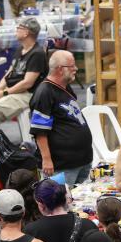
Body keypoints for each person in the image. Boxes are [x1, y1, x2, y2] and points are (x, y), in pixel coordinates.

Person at [0, 17, 46, 135]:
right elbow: (9, 73)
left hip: (27, 94)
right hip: (13, 90)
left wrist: (4, 93)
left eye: (19, 28)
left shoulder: (37, 54)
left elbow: (27, 83)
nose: (16, 29)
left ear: (26, 33)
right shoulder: (20, 49)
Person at [29, 50, 93, 183]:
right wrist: (46, 160)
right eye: (72, 66)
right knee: (62, 197)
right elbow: (39, 131)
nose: (76, 69)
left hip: (82, 161)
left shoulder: (64, 87)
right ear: (60, 69)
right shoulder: (44, 93)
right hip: (61, 166)